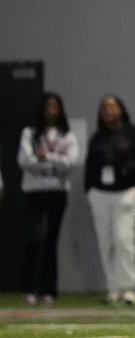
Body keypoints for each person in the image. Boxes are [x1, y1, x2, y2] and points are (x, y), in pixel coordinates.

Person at [85, 95, 135, 306]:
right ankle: (113, 287)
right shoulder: (97, 138)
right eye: (104, 107)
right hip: (100, 194)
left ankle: (128, 288)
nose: (109, 110)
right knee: (106, 242)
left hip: (125, 193)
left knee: (123, 240)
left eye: (112, 106)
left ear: (121, 109)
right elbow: (90, 168)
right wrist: (90, 191)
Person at [17, 92, 80, 305]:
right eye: (48, 106)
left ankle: (49, 290)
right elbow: (25, 160)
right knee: (34, 239)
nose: (51, 111)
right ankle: (29, 289)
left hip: (57, 192)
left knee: (51, 241)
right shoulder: (30, 133)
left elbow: (70, 163)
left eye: (55, 107)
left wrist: (47, 157)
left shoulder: (67, 135)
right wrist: (54, 161)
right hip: (34, 191)